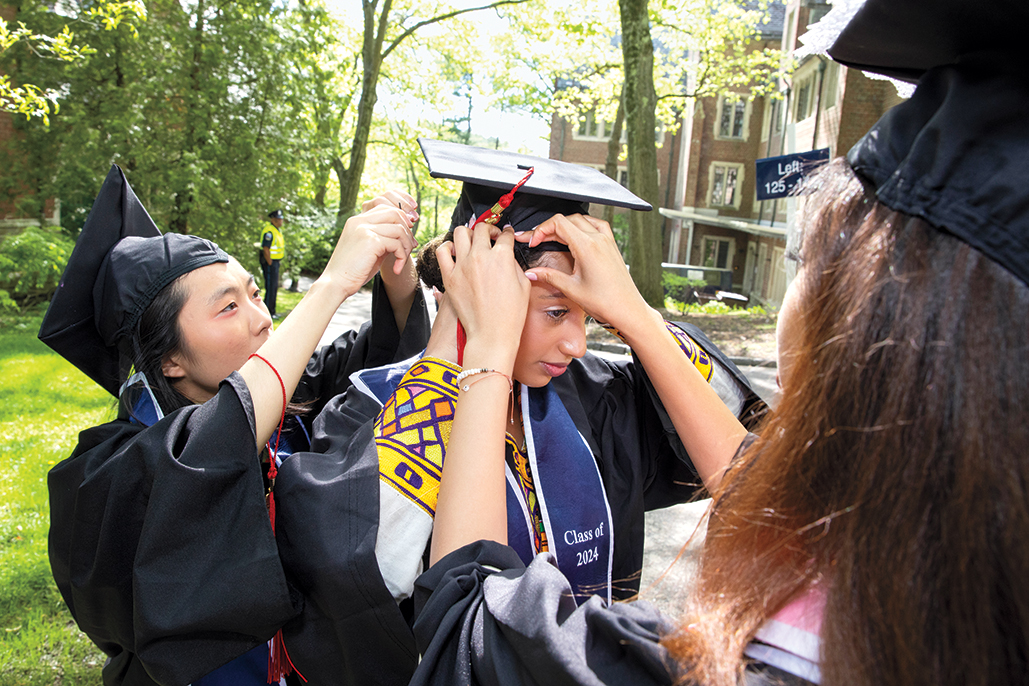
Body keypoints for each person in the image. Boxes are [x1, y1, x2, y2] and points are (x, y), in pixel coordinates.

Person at [406, 2, 1029, 685]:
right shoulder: (949, 598)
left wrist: (486, 353)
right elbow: (764, 497)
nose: (578, 343)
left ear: (865, 323)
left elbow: (466, 624)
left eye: (804, 262)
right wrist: (637, 318)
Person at [270, 140, 767, 685]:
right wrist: (460, 347)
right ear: (484, 288)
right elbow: (364, 576)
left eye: (589, 316)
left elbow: (741, 451)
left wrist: (631, 311)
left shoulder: (597, 397)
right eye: (556, 312)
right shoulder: (371, 409)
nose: (578, 343)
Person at [39, 165, 429, 686]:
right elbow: (205, 447)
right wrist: (331, 284)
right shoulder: (104, 475)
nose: (263, 318)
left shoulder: (294, 399)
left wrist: (393, 265)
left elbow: (377, 358)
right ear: (170, 360)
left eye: (254, 293)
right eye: (228, 307)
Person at [260, 209, 286, 317]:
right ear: (273, 220)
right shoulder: (269, 231)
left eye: (281, 219)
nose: (281, 222)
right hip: (270, 262)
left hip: (275, 262)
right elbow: (266, 248)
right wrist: (270, 263)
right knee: (270, 287)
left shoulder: (276, 230)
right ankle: (267, 312)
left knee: (274, 287)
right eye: (278, 220)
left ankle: (272, 311)